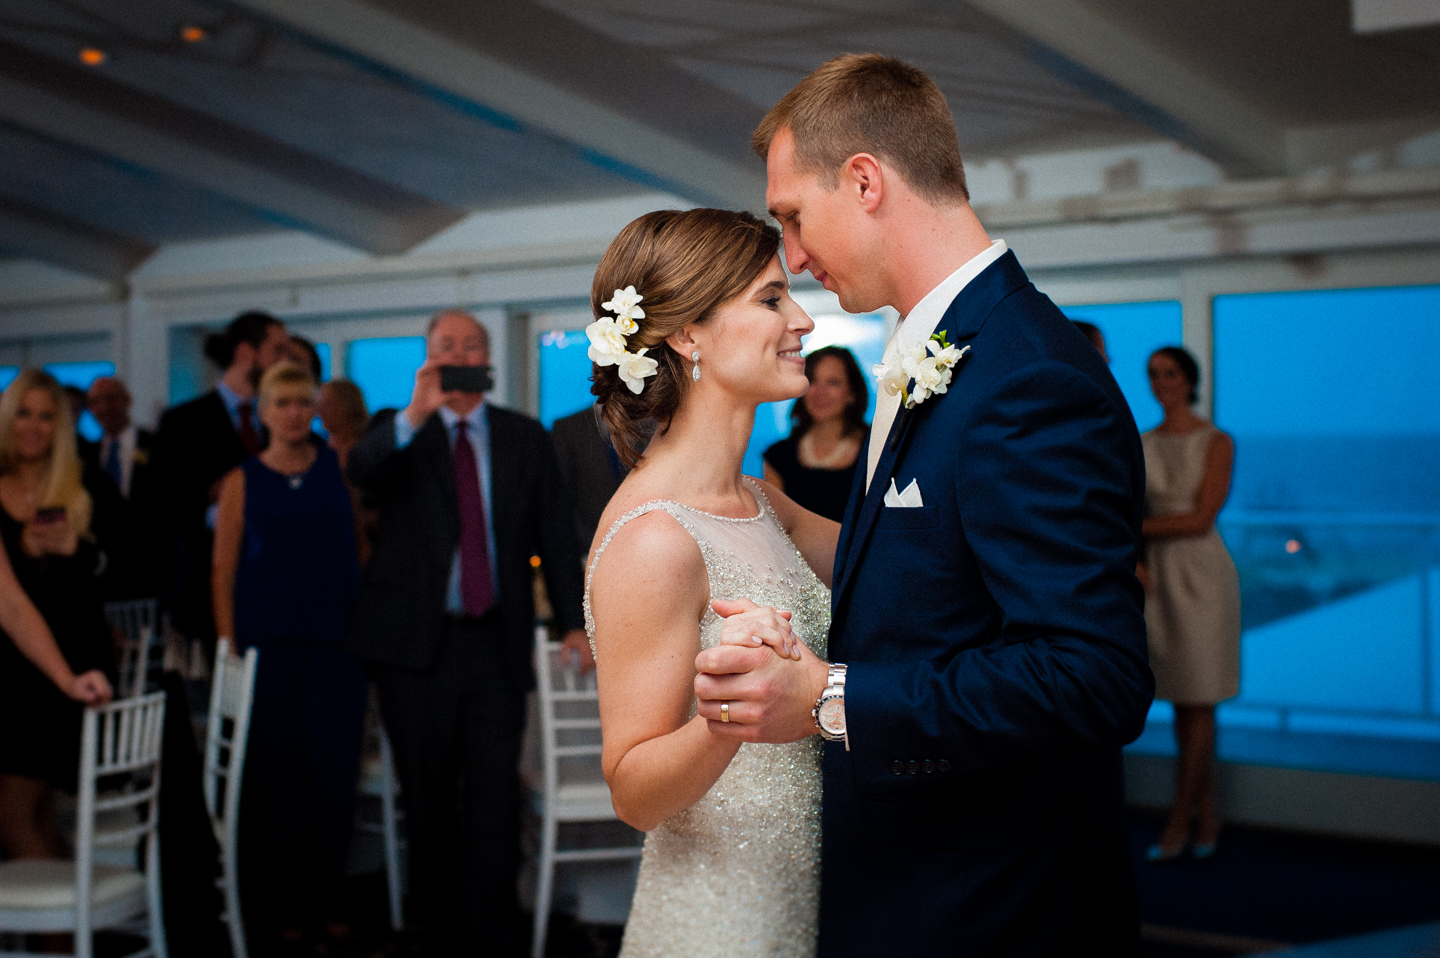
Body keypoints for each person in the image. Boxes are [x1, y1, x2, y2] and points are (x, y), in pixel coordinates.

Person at [692, 54, 1153, 956]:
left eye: (792, 217)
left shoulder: (1030, 377)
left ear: (864, 181)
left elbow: (1093, 676)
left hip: (991, 902)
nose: (791, 255)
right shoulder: (935, 344)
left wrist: (826, 696)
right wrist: (768, 520)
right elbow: (929, 570)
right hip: (915, 876)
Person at [583, 207, 834, 958]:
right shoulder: (654, 540)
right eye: (770, 299)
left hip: (811, 890)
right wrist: (731, 715)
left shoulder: (764, 502)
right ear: (687, 336)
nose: (802, 320)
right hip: (727, 916)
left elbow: (905, 569)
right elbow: (632, 790)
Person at [346, 309, 589, 956]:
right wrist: (415, 413)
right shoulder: (397, 433)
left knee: (493, 799)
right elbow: (361, 474)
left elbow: (555, 539)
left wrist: (574, 623)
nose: (460, 353)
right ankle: (438, 933)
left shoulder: (523, 436)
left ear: (488, 359)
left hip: (494, 645)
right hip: (412, 651)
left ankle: (496, 934)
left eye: (471, 345)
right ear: (427, 357)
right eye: (446, 346)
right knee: (425, 799)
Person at [212, 362, 368, 951]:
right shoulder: (242, 480)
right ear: (265, 411)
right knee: (277, 785)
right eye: (282, 403)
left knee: (333, 779)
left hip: (337, 650)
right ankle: (286, 907)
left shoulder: (338, 468)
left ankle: (330, 901)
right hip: (268, 652)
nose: (294, 413)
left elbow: (358, 547)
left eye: (304, 402)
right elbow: (223, 569)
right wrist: (229, 646)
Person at [0, 369, 115, 859]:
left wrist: (78, 549)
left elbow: (137, 565)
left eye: (47, 416)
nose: (33, 425)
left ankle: (68, 930)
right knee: (35, 822)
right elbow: (12, 605)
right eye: (23, 413)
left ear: (60, 426)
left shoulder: (84, 482)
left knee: (15, 820)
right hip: (14, 671)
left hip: (68, 666)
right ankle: (75, 930)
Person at [1139, 346, 1240, 862]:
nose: (1162, 382)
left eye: (1171, 372)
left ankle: (1181, 813)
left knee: (1201, 697)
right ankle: (1209, 810)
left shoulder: (1216, 441)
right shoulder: (1140, 442)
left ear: (1190, 378)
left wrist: (1132, 530)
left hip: (1203, 577)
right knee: (1181, 697)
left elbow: (1201, 518)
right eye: (1154, 375)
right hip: (1157, 577)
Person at [154, 310, 289, 643]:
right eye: (277, 350)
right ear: (246, 353)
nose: (284, 362)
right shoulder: (183, 422)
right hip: (203, 590)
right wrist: (211, 494)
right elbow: (158, 508)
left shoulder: (281, 421)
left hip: (273, 588)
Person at [761, 346, 870, 521]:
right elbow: (776, 530)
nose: (820, 392)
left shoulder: (877, 449)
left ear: (852, 393)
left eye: (833, 382)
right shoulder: (779, 457)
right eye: (812, 380)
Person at [83, 375, 161, 599]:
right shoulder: (85, 455)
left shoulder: (156, 445)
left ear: (127, 400)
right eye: (95, 402)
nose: (104, 407)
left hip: (150, 568)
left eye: (111, 398)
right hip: (103, 575)